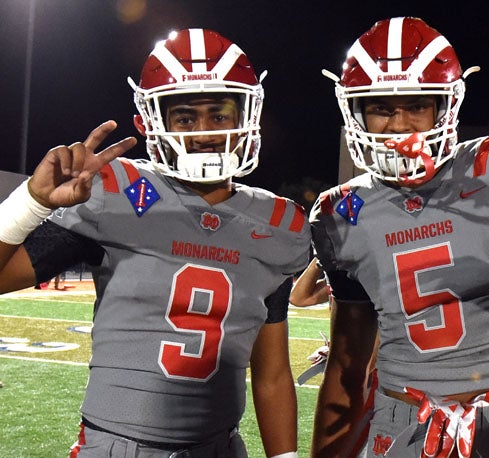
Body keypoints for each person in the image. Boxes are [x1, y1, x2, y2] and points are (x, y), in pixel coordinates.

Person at [0, 28, 309, 458]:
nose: (203, 132)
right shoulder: (115, 191)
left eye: (219, 114)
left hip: (221, 449)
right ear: (152, 121)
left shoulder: (279, 222)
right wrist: (30, 202)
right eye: (184, 117)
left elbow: (272, 373)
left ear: (246, 118)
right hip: (118, 447)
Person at [310, 17, 489, 458]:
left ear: (445, 106)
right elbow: (348, 366)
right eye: (381, 108)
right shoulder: (341, 213)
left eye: (416, 105)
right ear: (355, 112)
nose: (397, 125)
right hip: (401, 419)